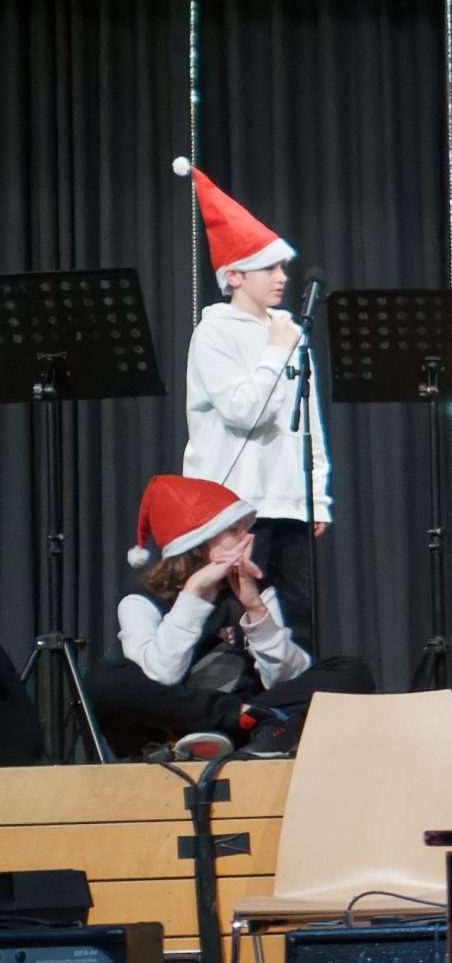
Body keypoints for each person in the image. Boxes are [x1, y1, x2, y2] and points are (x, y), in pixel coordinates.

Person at [86, 475, 373, 759]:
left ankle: (252, 725)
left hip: (248, 719)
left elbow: (289, 677)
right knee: (106, 681)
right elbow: (162, 675)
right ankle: (241, 722)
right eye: (234, 530)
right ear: (197, 543)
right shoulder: (141, 601)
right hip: (174, 725)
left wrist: (255, 608)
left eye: (247, 528)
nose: (248, 538)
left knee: (351, 672)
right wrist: (194, 594)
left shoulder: (254, 589)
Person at [175, 158, 331, 654]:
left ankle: (297, 703)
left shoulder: (289, 332)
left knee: (299, 625)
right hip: (233, 506)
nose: (281, 277)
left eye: (282, 266)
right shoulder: (214, 333)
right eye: (269, 267)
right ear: (235, 275)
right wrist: (274, 352)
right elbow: (245, 412)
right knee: (236, 623)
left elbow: (308, 422)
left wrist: (316, 496)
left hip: (289, 502)